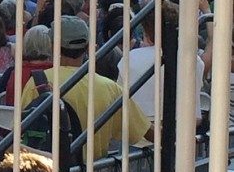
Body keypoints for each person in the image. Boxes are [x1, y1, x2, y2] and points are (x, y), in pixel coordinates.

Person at [21, 17, 153, 160]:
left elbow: (19, 132)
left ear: (53, 46)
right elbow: (147, 132)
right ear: (88, 47)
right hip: (95, 169)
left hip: (49, 169)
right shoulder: (110, 88)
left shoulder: (38, 82)